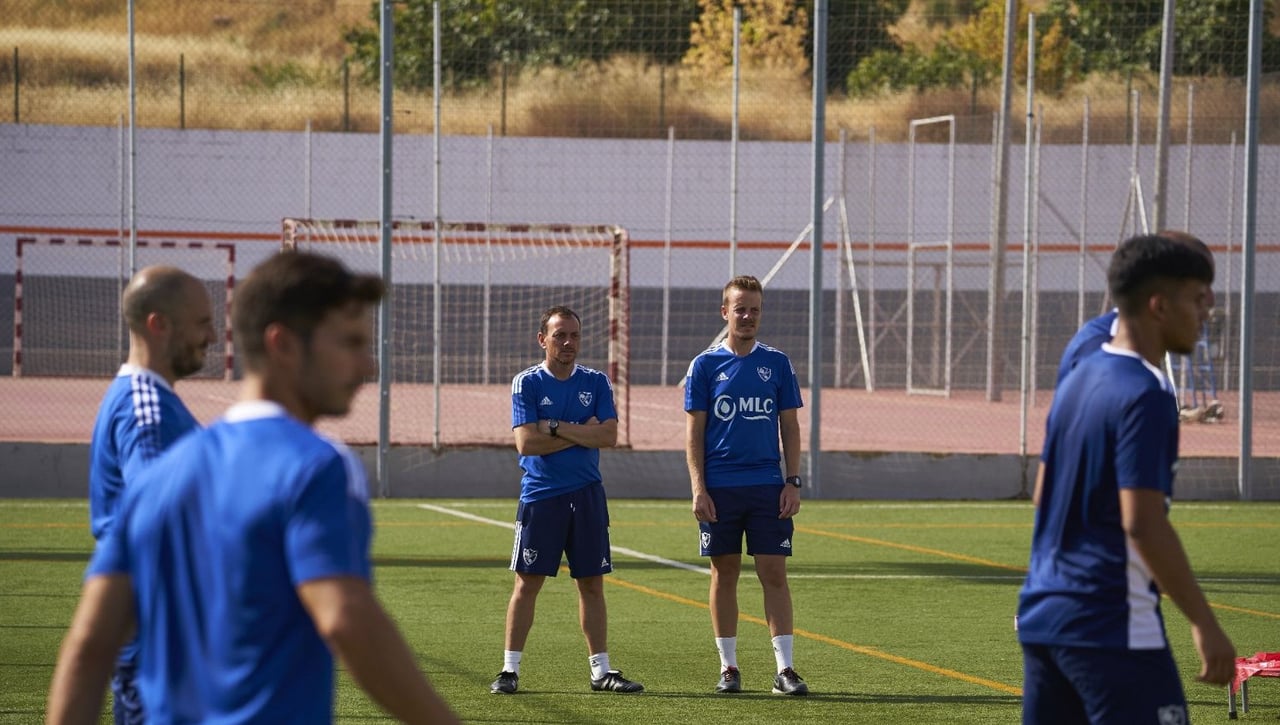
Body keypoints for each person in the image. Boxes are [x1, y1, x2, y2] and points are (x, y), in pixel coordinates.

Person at [47, 251, 461, 724]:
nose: (367, 364)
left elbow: (89, 647)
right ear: (283, 344)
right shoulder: (315, 464)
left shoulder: (161, 476)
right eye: (349, 343)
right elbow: (346, 619)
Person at [1017, 234, 1236, 724]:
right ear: (1159, 304)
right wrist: (1204, 624)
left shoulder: (1079, 374)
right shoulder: (1146, 393)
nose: (1208, 311)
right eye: (1198, 297)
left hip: (1043, 618)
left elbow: (1041, 492)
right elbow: (1143, 524)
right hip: (1112, 625)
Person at [491, 305, 643, 696]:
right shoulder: (527, 383)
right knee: (527, 584)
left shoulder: (597, 382)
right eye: (560, 335)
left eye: (574, 335)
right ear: (543, 339)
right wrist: (582, 431)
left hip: (588, 495)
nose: (568, 343)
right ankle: (509, 669)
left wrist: (556, 427)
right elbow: (527, 442)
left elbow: (608, 437)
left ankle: (601, 671)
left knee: (592, 585)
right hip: (542, 496)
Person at [88, 265, 215, 725]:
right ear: (159, 324)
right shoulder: (147, 410)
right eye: (202, 322)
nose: (214, 335)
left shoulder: (153, 401)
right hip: (160, 647)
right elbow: (159, 513)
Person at [684, 275, 807, 696]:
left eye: (754, 309)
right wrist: (699, 487)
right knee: (725, 572)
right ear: (725, 312)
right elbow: (694, 434)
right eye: (740, 308)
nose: (748, 316)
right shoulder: (704, 365)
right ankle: (729, 668)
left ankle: (785, 670)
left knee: (774, 573)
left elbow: (790, 427)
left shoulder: (777, 363)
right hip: (720, 488)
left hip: (767, 487)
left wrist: (792, 481)